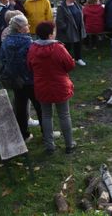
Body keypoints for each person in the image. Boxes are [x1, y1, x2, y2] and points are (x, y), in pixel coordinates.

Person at [27, 21, 76, 155]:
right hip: (60, 85)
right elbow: (70, 65)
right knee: (64, 115)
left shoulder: (32, 48)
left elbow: (30, 66)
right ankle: (69, 144)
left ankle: (49, 146)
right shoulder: (58, 48)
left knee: (46, 115)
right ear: (50, 34)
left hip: (42, 86)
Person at [0, 15, 41, 141]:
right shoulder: (28, 42)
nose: (28, 26)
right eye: (26, 25)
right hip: (29, 79)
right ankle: (47, 133)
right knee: (40, 106)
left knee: (20, 108)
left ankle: (24, 135)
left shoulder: (6, 41)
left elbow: (3, 58)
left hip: (15, 79)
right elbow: (33, 60)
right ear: (19, 29)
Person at [56, 0, 86, 66]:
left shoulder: (76, 4)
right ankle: (65, 61)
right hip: (68, 31)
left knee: (78, 44)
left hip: (78, 28)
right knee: (67, 47)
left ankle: (78, 58)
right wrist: (65, 28)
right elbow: (59, 20)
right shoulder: (61, 7)